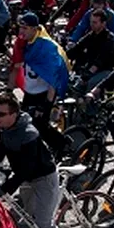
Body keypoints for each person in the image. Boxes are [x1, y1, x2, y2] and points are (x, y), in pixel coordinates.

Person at [0, 92, 71, 228]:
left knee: (43, 222)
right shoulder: (6, 128)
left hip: (43, 179)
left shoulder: (28, 133)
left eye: (1, 114)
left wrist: (7, 187)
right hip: (27, 179)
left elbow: (27, 168)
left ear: (14, 114)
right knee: (24, 214)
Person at [9, 12, 71, 156]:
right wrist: (8, 91)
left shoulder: (46, 48)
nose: (21, 31)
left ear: (35, 29)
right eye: (20, 28)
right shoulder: (21, 43)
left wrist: (46, 104)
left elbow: (53, 79)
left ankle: (63, 145)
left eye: (25, 28)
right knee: (21, 122)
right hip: (30, 91)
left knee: (39, 124)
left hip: (45, 92)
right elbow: (16, 67)